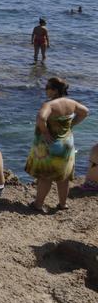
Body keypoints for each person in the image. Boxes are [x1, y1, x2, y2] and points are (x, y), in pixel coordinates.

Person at [26, 77, 89, 213]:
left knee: (45, 177)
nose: (45, 90)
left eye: (47, 87)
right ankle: (62, 204)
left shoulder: (49, 105)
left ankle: (38, 204)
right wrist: (72, 124)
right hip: (66, 144)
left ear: (54, 90)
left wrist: (45, 132)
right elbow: (85, 112)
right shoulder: (71, 103)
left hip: (51, 145)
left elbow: (41, 118)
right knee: (63, 176)